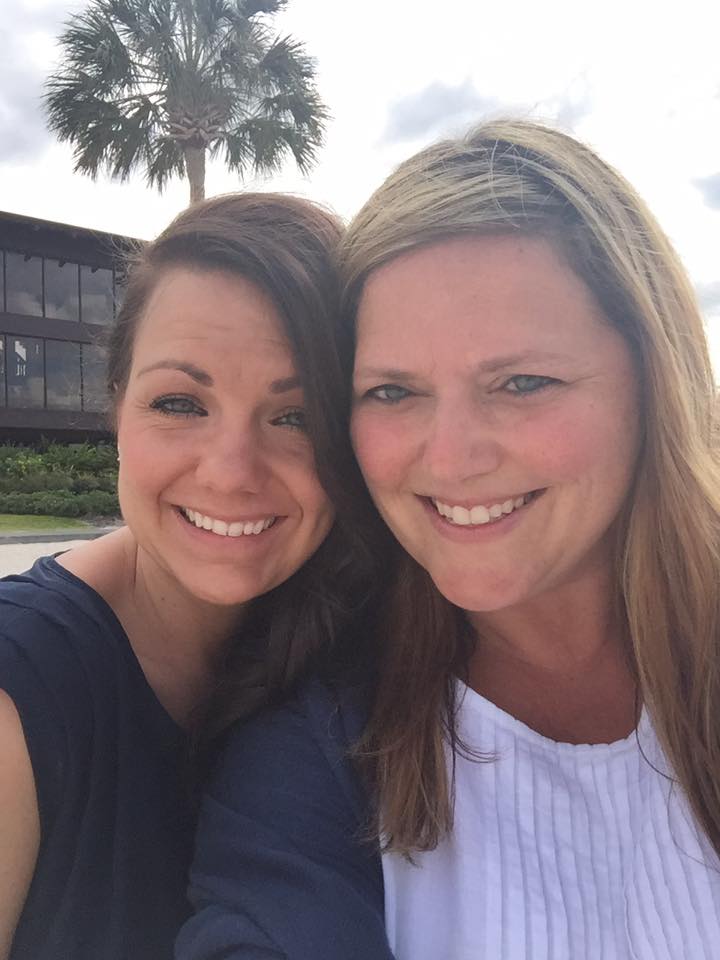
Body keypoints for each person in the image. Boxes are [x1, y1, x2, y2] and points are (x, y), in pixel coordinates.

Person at [177, 119, 720, 960]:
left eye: (522, 382)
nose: (453, 457)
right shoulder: (318, 756)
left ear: (653, 378)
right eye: (393, 391)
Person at [0, 192, 376, 960]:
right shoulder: (18, 690)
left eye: (295, 417)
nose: (232, 474)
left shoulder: (370, 640)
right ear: (117, 410)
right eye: (180, 402)